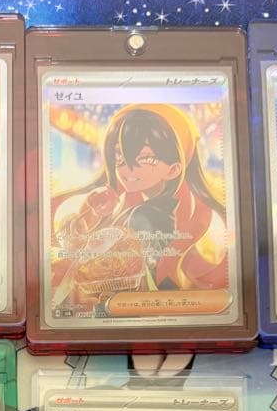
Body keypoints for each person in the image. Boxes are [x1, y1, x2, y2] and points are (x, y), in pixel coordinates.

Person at [53, 103, 229, 305]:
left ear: (173, 169)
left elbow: (98, 264)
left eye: (145, 158)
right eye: (119, 156)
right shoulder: (136, 206)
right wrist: (94, 213)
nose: (126, 169)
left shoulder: (148, 216)